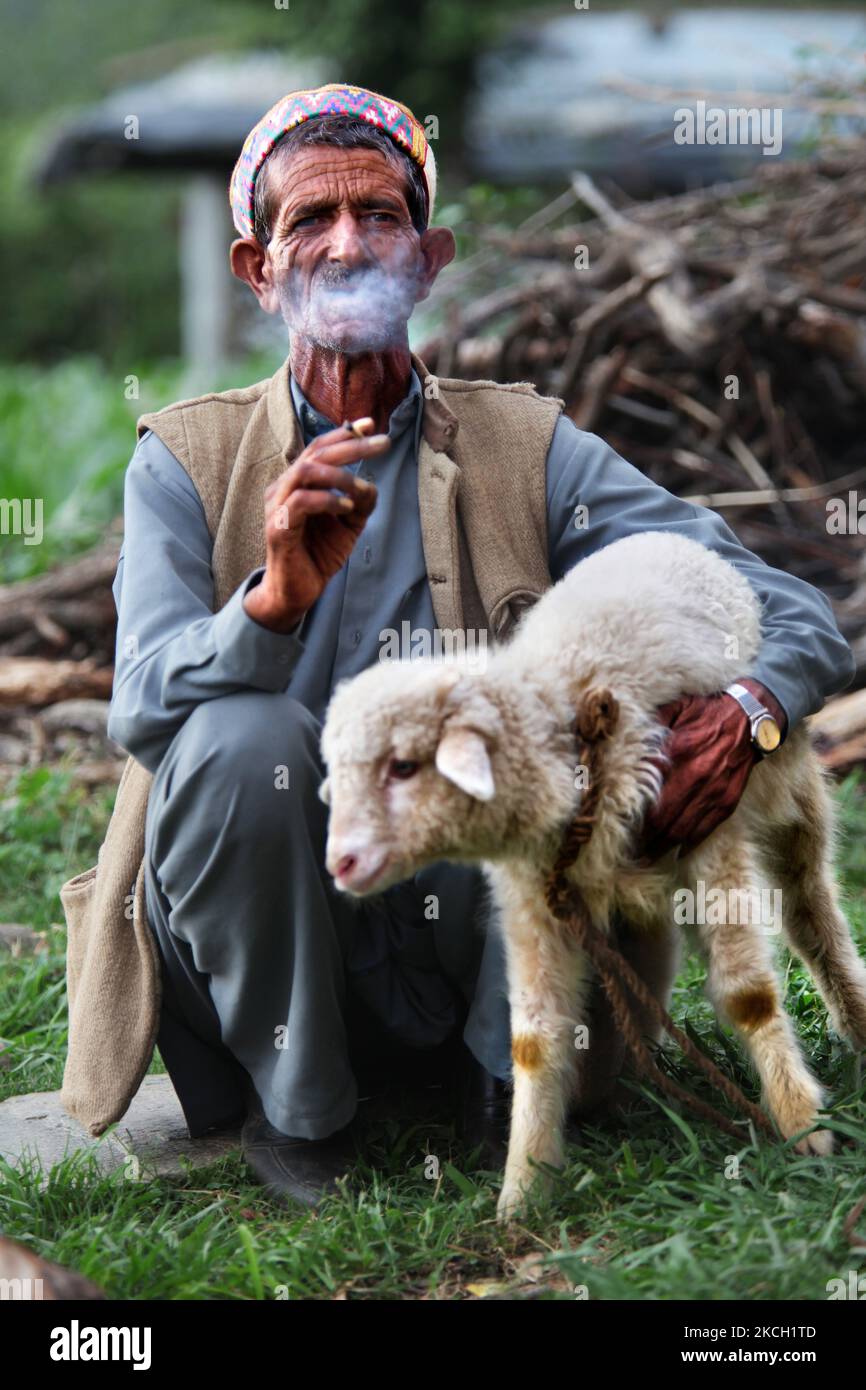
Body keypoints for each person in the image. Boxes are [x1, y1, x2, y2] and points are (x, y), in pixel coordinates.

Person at [65, 83, 855, 1208]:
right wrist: (271, 602)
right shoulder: (185, 462)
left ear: (427, 260)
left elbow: (777, 599)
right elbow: (139, 710)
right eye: (309, 221)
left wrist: (755, 707)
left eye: (379, 216)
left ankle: (503, 1094)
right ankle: (302, 1117)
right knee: (243, 739)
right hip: (274, 949)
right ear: (258, 269)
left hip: (503, 938)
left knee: (535, 730)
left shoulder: (526, 448)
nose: (347, 244)